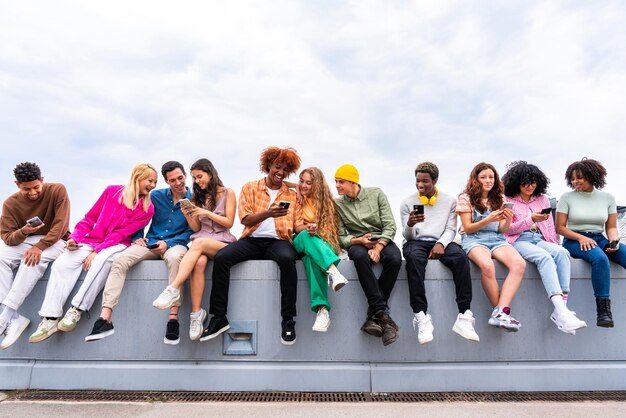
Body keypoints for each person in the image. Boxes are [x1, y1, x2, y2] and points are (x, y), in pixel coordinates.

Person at [29, 163, 156, 343]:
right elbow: (90, 218)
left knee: (103, 261)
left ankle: (76, 309)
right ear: (138, 177)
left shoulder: (147, 209)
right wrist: (75, 238)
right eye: (150, 180)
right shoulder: (111, 191)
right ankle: (50, 318)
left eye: (155, 182)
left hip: (118, 244)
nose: (152, 185)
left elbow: (121, 234)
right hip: (92, 239)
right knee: (61, 264)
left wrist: (97, 251)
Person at [201, 147, 302, 345]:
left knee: (288, 260)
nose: (280, 172)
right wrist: (268, 213)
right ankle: (219, 317)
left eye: (285, 170)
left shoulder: (292, 194)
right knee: (222, 258)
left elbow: (297, 223)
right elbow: (245, 219)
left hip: (280, 240)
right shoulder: (250, 187)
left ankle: (288, 320)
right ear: (268, 166)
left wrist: (307, 225)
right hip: (253, 239)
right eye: (277, 167)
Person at [84, 161, 194, 343]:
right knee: (120, 260)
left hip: (176, 244)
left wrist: (168, 243)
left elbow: (193, 230)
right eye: (172, 180)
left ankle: (173, 319)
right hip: (150, 243)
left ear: (185, 176)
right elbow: (139, 215)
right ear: (166, 181)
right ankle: (105, 318)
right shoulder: (156, 196)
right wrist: (137, 236)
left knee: (176, 259)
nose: (178, 183)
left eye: (180, 178)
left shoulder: (195, 198)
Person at [152, 158, 237, 342]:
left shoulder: (228, 193)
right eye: (195, 178)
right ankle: (196, 314)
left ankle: (173, 288)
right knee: (198, 262)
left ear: (210, 173)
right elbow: (197, 229)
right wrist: (188, 213)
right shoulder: (197, 197)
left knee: (197, 244)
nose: (197, 181)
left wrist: (207, 212)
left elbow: (229, 222)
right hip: (203, 239)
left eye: (200, 176)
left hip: (222, 242)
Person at [502, 161, 587, 334]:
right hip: (518, 240)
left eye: (533, 182)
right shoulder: (507, 200)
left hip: (539, 238)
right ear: (516, 182)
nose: (530, 186)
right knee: (544, 257)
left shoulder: (542, 199)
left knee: (562, 253)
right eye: (526, 182)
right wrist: (530, 220)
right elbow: (507, 230)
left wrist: (553, 244)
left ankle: (561, 310)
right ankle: (561, 311)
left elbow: (549, 227)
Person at [401, 162, 479, 345]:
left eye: (425, 181)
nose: (420, 185)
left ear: (435, 180)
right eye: (418, 181)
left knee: (460, 258)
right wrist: (410, 224)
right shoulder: (406, 202)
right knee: (413, 261)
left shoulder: (449, 201)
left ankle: (464, 315)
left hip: (441, 240)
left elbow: (451, 229)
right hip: (416, 242)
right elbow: (407, 235)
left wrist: (440, 244)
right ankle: (421, 316)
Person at [0, 162, 71, 349]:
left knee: (31, 260)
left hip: (55, 241)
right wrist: (24, 230)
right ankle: (15, 319)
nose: (32, 193)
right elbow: (8, 238)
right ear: (17, 185)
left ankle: (6, 315)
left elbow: (61, 226)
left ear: (42, 180)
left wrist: (40, 246)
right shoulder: (10, 203)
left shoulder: (57, 190)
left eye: (36, 187)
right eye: (26, 189)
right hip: (26, 240)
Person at [335, 164, 401, 346]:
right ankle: (382, 313)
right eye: (336, 182)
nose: (337, 186)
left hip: (381, 239)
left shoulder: (376, 194)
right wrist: (360, 242)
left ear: (353, 182)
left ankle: (374, 314)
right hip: (358, 243)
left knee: (395, 259)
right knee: (360, 257)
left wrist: (378, 248)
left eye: (341, 182)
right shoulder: (338, 203)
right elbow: (341, 237)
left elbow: (390, 225)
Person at [556, 158, 626, 328]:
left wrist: (614, 241)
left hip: (599, 238)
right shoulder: (566, 197)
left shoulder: (608, 198)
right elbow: (559, 227)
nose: (575, 181)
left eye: (579, 177)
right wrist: (580, 237)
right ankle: (603, 312)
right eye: (572, 178)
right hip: (574, 240)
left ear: (592, 176)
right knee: (600, 259)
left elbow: (610, 227)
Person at [457, 162, 526, 332]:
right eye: (483, 177)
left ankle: (500, 312)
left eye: (491, 177)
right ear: (476, 179)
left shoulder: (500, 199)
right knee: (487, 266)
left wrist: (508, 218)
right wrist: (489, 219)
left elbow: (503, 229)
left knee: (519, 264)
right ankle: (501, 314)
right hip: (474, 239)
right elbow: (467, 228)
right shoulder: (465, 198)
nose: (488, 180)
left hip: (497, 239)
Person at [292, 167, 348, 333]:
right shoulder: (297, 198)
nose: (304, 185)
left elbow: (329, 233)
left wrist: (317, 230)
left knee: (312, 260)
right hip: (301, 241)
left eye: (309, 183)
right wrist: (308, 228)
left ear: (317, 185)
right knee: (304, 235)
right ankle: (333, 270)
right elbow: (296, 226)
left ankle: (322, 310)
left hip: (319, 245)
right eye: (301, 181)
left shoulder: (327, 203)